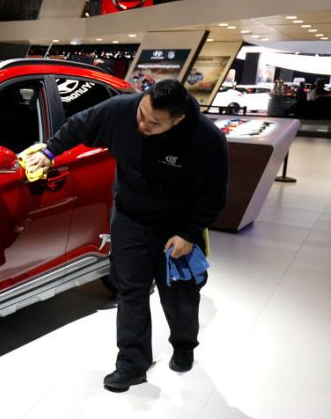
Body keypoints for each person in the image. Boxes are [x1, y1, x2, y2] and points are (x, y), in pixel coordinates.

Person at [23, 79, 229, 392]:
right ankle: (131, 364)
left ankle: (184, 345)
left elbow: (214, 196)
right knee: (130, 290)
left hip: (178, 226)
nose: (142, 123)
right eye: (142, 114)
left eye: (154, 122)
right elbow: (80, 124)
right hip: (131, 216)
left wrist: (188, 233)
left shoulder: (207, 139)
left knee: (179, 295)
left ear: (179, 119)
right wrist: (50, 151)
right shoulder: (123, 110)